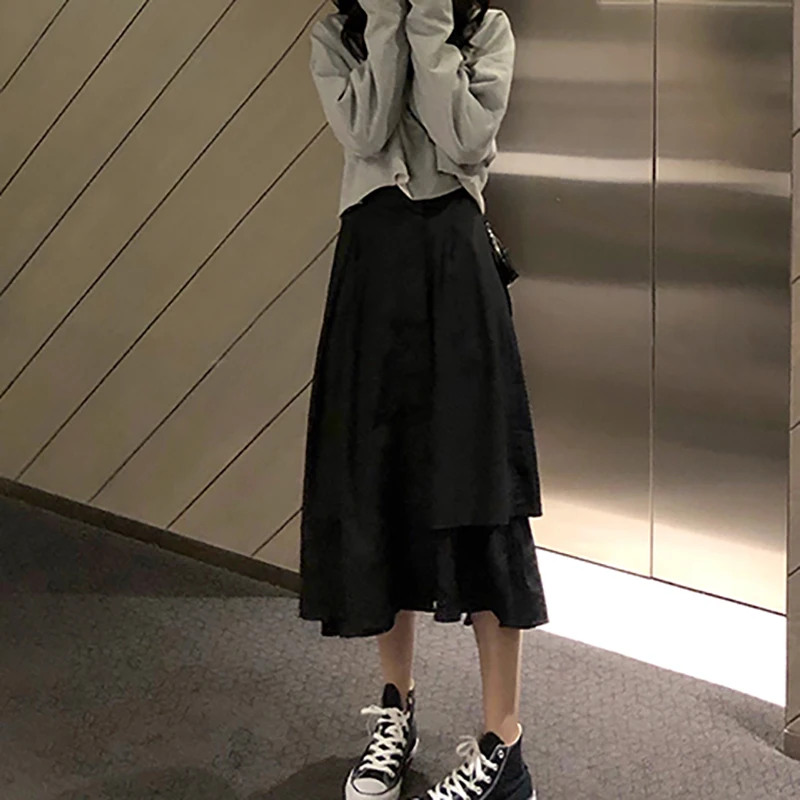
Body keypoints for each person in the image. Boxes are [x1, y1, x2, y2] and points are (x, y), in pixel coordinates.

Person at [300, 1, 549, 798]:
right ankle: (394, 708)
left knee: (481, 495)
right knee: (380, 485)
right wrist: (385, 19)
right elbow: (366, 131)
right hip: (373, 276)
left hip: (456, 271)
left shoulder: (486, 30)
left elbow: (465, 140)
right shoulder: (334, 35)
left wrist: (429, 23)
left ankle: (503, 743)